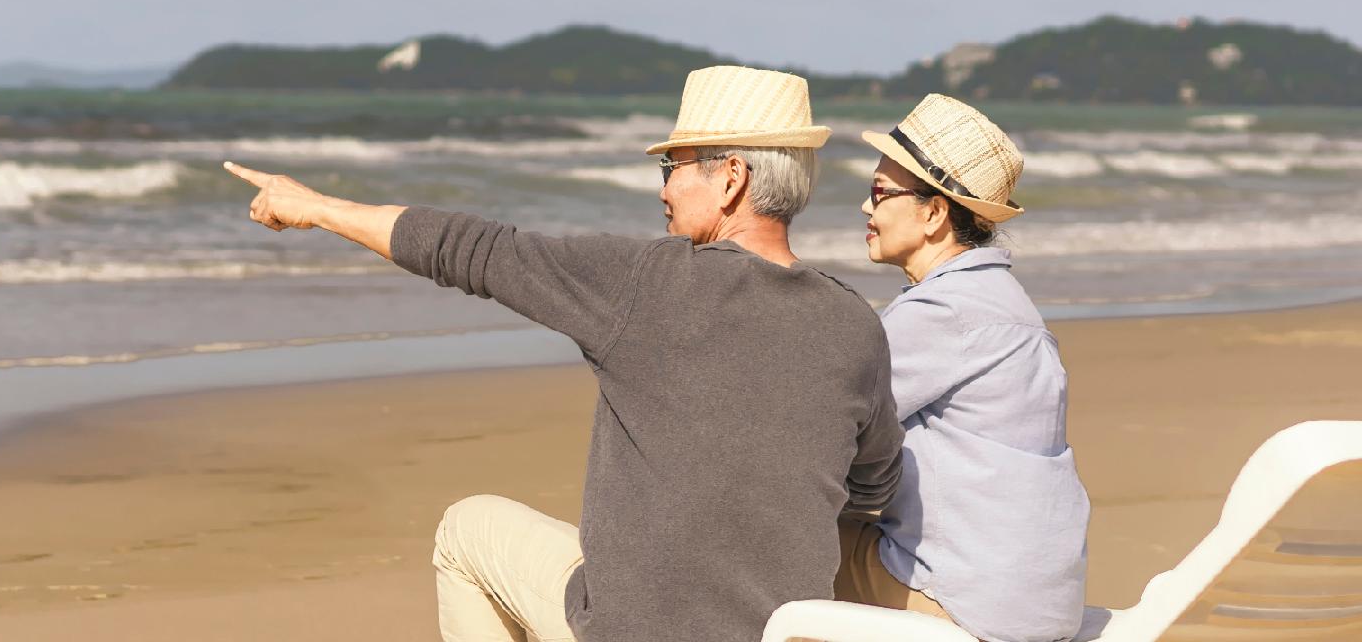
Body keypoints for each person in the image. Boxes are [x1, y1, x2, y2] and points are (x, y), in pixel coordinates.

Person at [226, 65, 901, 642]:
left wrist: (316, 207)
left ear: (731, 177)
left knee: (466, 531)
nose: (664, 189)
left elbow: (465, 249)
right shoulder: (855, 324)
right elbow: (873, 484)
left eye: (671, 167)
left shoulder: (646, 283)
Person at [841, 93, 1090, 642]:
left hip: (970, 603)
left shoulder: (941, 312)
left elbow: (830, 419)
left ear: (933, 213)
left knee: (779, 544)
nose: (865, 207)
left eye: (879, 193)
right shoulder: (1008, 303)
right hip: (1043, 604)